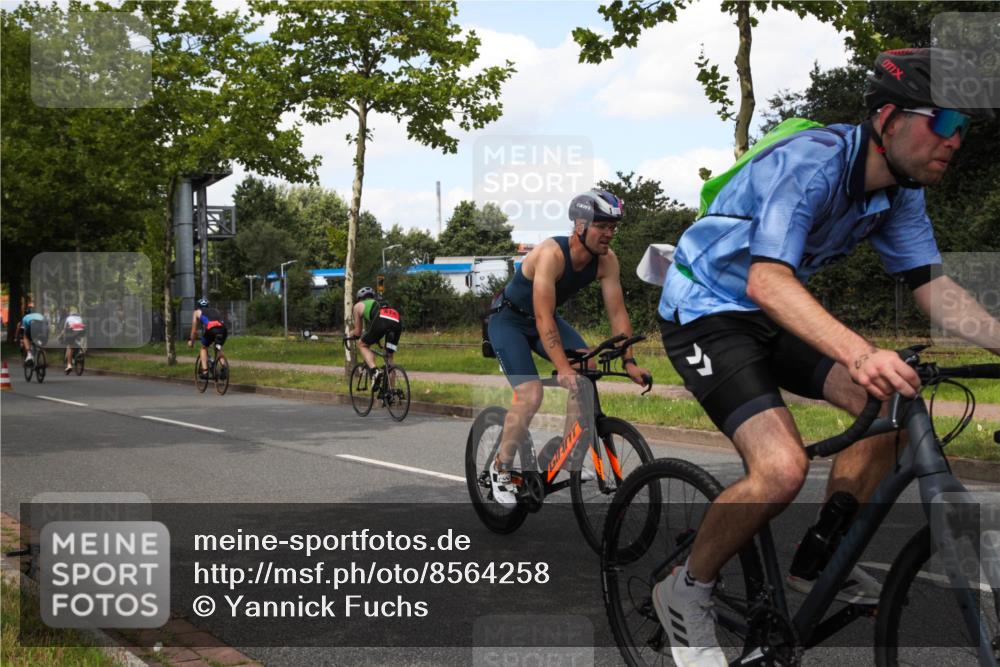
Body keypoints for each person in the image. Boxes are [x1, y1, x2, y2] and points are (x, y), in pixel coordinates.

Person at [652, 48, 999, 666]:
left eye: (964, 128)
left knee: (895, 404)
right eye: (944, 121)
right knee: (781, 469)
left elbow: (935, 290)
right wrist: (861, 352)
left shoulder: (900, 192)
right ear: (888, 118)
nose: (954, 140)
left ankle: (818, 556)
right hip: (707, 310)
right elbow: (766, 280)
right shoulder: (809, 163)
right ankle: (685, 589)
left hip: (772, 312)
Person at [486, 189, 652, 506]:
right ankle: (501, 467)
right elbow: (543, 316)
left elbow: (617, 313)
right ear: (580, 225)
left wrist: (629, 361)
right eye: (602, 226)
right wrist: (562, 367)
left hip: (545, 319)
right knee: (531, 393)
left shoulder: (607, 261)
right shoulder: (552, 254)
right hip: (509, 320)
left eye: (613, 227)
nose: (609, 233)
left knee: (587, 369)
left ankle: (566, 449)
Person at [350, 287, 402, 382]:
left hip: (381, 318)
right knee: (389, 359)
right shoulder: (379, 302)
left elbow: (358, 332)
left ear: (360, 298)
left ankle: (375, 371)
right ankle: (391, 390)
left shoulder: (357, 306)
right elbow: (384, 322)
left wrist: (350, 334)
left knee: (362, 344)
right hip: (396, 319)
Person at [187, 298, 228, 376]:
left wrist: (191, 341)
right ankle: (224, 368)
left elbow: (194, 331)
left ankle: (205, 372)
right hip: (223, 330)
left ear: (197, 306)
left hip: (211, 330)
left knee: (203, 348)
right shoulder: (216, 310)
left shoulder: (196, 312)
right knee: (218, 347)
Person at [58, 307, 86, 374]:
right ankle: (80, 351)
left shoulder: (68, 318)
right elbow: (81, 327)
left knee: (69, 347)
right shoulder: (80, 318)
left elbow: (64, 329)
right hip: (81, 330)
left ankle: (69, 365)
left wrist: (60, 336)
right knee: (79, 341)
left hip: (72, 331)